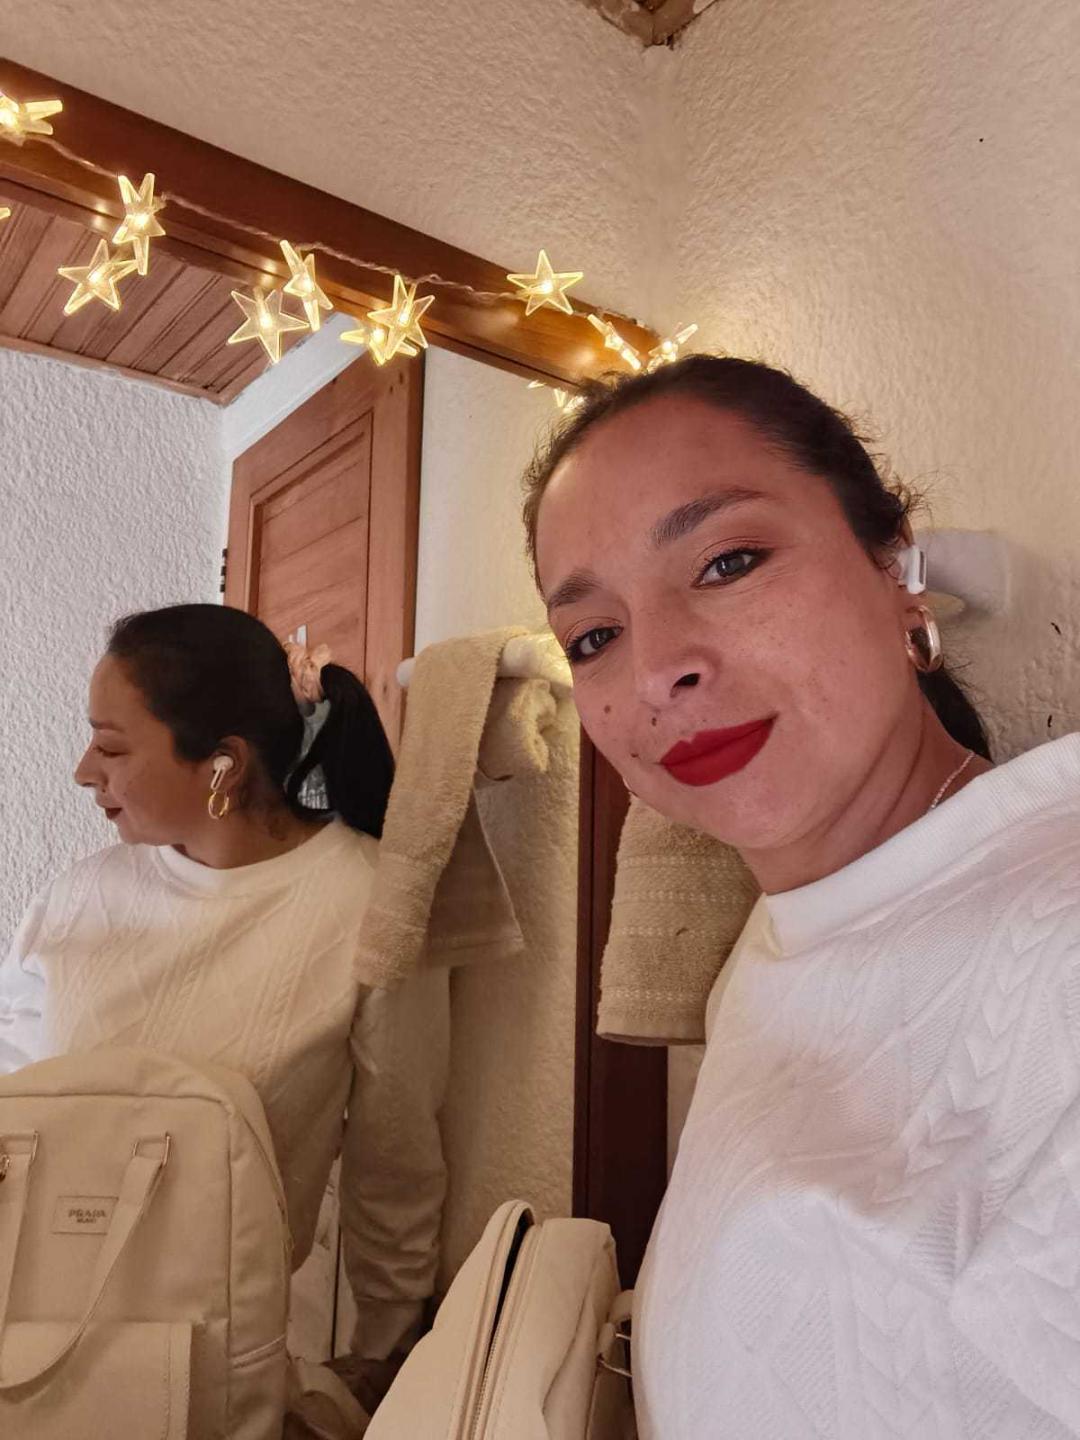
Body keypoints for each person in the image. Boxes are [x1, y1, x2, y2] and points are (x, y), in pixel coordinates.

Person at [525, 356, 1080, 1438]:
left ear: (895, 569)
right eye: (594, 636)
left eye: (727, 562)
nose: (655, 669)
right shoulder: (783, 937)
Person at [0, 604, 449, 1377]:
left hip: (216, 1363)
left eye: (112, 746)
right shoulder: (78, 896)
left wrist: (386, 1350)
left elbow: (395, 1154)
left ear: (223, 766)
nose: (83, 771)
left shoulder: (366, 904)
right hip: (27, 1326)